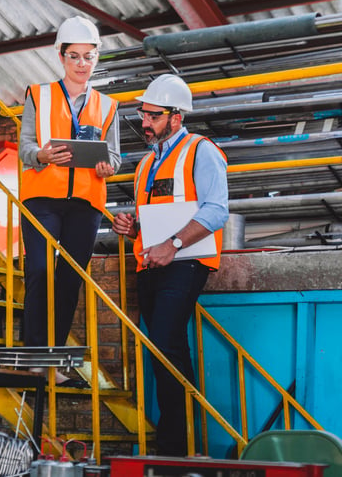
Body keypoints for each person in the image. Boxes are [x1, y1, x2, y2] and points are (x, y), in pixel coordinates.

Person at [111, 74, 229, 456]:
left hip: (186, 262)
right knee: (166, 348)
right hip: (152, 266)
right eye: (144, 115)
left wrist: (174, 244)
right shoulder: (146, 164)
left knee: (164, 344)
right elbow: (157, 217)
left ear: (176, 118)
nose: (145, 123)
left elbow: (216, 210)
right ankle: (180, 444)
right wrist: (133, 229)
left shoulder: (201, 151)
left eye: (154, 116)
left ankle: (174, 444)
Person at [18, 16, 121, 388]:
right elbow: (25, 148)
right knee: (41, 271)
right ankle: (33, 357)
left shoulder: (108, 106)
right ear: (61, 57)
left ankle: (53, 362)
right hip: (42, 198)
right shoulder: (39, 95)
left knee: (69, 280)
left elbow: (116, 156)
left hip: (86, 203)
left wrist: (109, 167)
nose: (82, 64)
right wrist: (43, 156)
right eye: (74, 56)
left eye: (89, 56)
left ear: (96, 59)